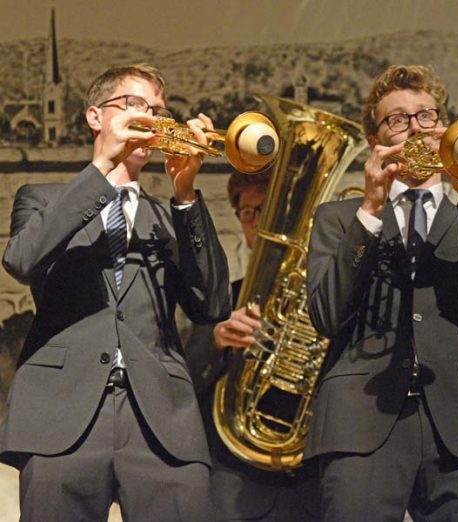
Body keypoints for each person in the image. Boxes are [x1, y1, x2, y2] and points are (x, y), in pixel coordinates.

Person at [1, 63, 230, 521]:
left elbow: (212, 305)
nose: (152, 118)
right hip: (62, 415)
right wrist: (103, 166)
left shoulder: (171, 218)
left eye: (159, 110)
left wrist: (185, 193)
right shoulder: (42, 199)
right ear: (94, 117)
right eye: (134, 105)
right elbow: (22, 261)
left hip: (162, 419)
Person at [305, 64, 458, 521]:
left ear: (445, 126)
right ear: (376, 140)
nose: (416, 128)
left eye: (426, 116)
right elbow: (325, 315)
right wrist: (370, 207)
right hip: (359, 420)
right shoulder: (340, 219)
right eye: (398, 120)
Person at [184, 170, 321, 521]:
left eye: (269, 211)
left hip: (309, 484)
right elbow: (185, 380)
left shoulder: (324, 301)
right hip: (234, 484)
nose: (259, 223)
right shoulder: (222, 300)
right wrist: (216, 340)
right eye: (249, 213)